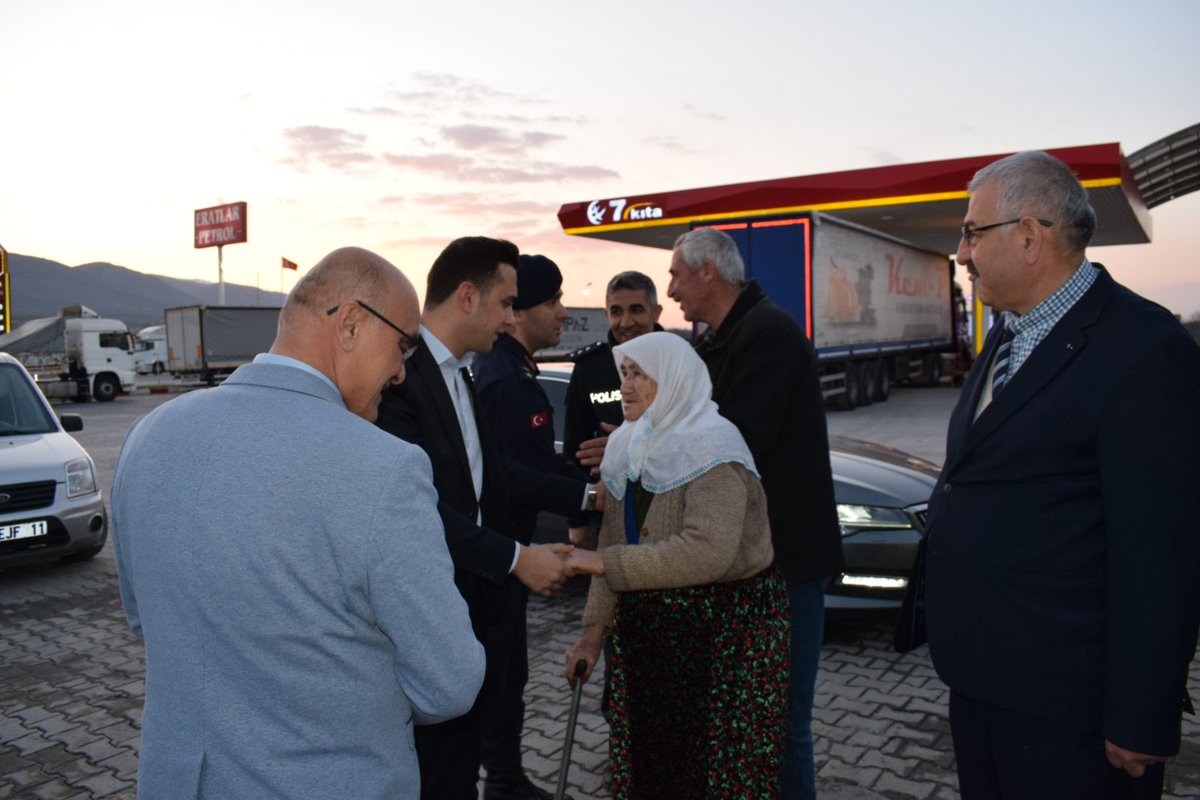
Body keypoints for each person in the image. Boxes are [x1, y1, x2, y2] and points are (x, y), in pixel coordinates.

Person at [109, 247, 485, 800]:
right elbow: (449, 683)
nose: (403, 372)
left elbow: (148, 618)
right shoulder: (384, 466)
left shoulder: (149, 436)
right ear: (351, 325)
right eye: (403, 345)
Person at [916, 150, 1200, 799]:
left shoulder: (1143, 349)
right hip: (984, 682)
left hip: (1070, 709)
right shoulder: (1010, 336)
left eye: (971, 232)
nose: (962, 253)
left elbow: (1162, 551)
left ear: (1028, 235)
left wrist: (1141, 709)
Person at [375, 237, 594, 800]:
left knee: (465, 752)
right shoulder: (398, 376)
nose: (511, 318)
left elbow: (488, 482)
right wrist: (517, 559)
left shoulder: (462, 375)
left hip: (477, 599)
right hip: (431, 608)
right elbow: (414, 509)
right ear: (468, 297)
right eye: (505, 304)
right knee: (440, 768)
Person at [564, 331, 790, 799]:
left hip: (726, 643)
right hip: (657, 644)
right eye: (624, 373)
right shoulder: (630, 445)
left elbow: (707, 552)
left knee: (718, 775)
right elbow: (612, 537)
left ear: (673, 381)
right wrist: (592, 632)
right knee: (656, 771)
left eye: (639, 375)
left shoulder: (713, 447)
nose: (625, 387)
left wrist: (604, 563)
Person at [666, 225, 843, 800]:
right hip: (750, 566)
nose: (672, 292)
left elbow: (735, 442)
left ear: (706, 273)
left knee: (782, 726)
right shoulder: (722, 339)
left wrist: (647, 446)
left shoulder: (767, 334)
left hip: (785, 567)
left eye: (675, 275)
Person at [469, 253, 590, 800]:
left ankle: (505, 777)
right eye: (552, 302)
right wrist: (588, 496)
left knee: (506, 676)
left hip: (502, 555)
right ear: (516, 313)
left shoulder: (514, 372)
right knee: (499, 678)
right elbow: (513, 475)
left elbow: (535, 462)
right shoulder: (506, 381)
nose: (563, 313)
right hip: (497, 560)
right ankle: (504, 782)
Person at [562, 270, 664, 487]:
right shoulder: (589, 368)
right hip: (609, 502)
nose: (626, 323)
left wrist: (629, 445)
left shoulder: (680, 361)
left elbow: (699, 435)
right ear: (606, 314)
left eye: (636, 310)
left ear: (656, 312)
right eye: (616, 312)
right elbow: (575, 452)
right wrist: (582, 515)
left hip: (670, 495)